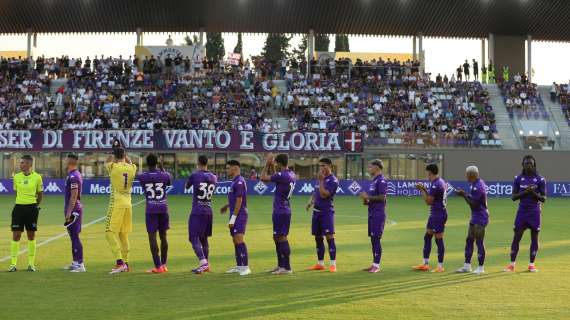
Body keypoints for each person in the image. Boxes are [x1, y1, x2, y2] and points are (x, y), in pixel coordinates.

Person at [504, 155, 546, 273]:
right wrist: (525, 192)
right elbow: (513, 197)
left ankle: (531, 265)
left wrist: (532, 192)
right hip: (522, 212)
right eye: (526, 163)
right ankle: (512, 265)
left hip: (534, 212)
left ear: (534, 165)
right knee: (516, 237)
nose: (528, 165)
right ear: (523, 165)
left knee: (534, 238)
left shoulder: (540, 179)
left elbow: (543, 199)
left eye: (531, 164)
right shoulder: (518, 178)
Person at [260, 153, 296, 275]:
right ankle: (281, 265)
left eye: (276, 162)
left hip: (281, 210)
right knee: (277, 237)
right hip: (284, 209)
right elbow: (277, 177)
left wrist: (267, 164)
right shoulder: (290, 174)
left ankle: (287, 267)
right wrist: (273, 166)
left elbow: (263, 177)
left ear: (279, 163)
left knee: (282, 237)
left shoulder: (283, 175)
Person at [105, 147, 137, 274]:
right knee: (123, 234)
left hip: (117, 203)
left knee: (109, 233)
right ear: (125, 155)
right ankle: (126, 263)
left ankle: (119, 263)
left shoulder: (113, 167)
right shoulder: (132, 168)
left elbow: (107, 161)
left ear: (115, 156)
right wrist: (124, 156)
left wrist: (112, 154)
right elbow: (129, 161)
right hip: (128, 204)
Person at [137, 154, 171, 274]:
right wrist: (162, 169)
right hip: (163, 208)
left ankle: (157, 266)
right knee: (163, 236)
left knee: (152, 237)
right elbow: (169, 181)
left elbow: (139, 177)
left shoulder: (142, 177)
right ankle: (164, 264)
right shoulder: (165, 175)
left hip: (151, 209)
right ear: (157, 163)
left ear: (147, 163)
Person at [8, 155, 43, 272]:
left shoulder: (37, 177)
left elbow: (40, 195)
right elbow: (17, 192)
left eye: (23, 163)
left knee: (31, 235)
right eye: (20, 163)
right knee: (16, 235)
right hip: (18, 208)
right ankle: (13, 264)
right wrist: (22, 202)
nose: (20, 165)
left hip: (31, 209)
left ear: (29, 164)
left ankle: (31, 264)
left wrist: (34, 206)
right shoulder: (16, 177)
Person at [413, 164, 448, 273]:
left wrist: (421, 190)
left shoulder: (436, 184)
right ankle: (425, 263)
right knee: (427, 237)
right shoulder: (439, 182)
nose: (426, 175)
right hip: (436, 214)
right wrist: (424, 188)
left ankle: (440, 266)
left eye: (427, 173)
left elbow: (428, 201)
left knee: (438, 239)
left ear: (430, 172)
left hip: (438, 215)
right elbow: (432, 197)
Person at [306, 158, 339, 273]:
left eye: (323, 165)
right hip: (316, 212)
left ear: (330, 166)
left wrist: (320, 181)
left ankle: (333, 264)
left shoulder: (333, 180)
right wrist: (310, 202)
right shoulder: (321, 178)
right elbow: (316, 192)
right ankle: (320, 263)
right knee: (318, 237)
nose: (321, 168)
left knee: (329, 237)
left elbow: (325, 195)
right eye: (320, 166)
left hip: (326, 212)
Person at [186, 155, 218, 274]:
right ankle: (206, 264)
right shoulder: (214, 177)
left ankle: (203, 262)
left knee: (193, 237)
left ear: (198, 163)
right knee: (203, 238)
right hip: (208, 210)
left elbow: (187, 186)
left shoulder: (195, 175)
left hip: (197, 210)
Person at [454, 166, 489, 275]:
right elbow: (473, 199)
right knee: (469, 240)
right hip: (475, 216)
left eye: (467, 175)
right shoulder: (476, 184)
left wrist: (463, 194)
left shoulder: (478, 186)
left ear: (471, 175)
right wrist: (464, 194)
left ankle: (481, 267)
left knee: (479, 241)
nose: (466, 177)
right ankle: (467, 266)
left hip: (481, 217)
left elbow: (474, 204)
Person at [221, 160, 251, 276]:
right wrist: (227, 206)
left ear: (234, 168)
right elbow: (235, 199)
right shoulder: (234, 182)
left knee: (239, 239)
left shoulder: (239, 182)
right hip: (234, 213)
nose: (226, 170)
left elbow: (239, 201)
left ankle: (245, 267)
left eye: (228, 168)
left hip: (240, 215)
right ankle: (239, 266)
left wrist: (233, 218)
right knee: (235, 240)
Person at [359, 160, 388, 273]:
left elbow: (382, 198)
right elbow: (372, 199)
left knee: (376, 239)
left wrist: (368, 197)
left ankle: (377, 266)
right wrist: (365, 200)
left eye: (370, 167)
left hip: (378, 214)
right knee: (373, 239)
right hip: (372, 213)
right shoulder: (374, 181)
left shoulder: (381, 181)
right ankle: (374, 264)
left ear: (376, 168)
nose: (369, 169)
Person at [63, 154, 85, 272]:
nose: (66, 160)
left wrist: (69, 212)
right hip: (73, 210)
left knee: (75, 236)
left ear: (71, 161)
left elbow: (74, 195)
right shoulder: (72, 175)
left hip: (74, 211)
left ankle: (80, 264)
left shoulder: (73, 176)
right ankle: (75, 262)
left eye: (67, 159)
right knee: (72, 236)